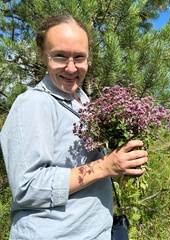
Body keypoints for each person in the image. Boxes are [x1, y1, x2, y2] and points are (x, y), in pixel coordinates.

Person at [0, 14, 148, 240]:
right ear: (42, 55)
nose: (71, 68)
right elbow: (27, 188)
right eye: (60, 56)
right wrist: (105, 166)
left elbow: (87, 167)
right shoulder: (33, 103)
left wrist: (121, 163)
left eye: (79, 57)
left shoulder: (83, 100)